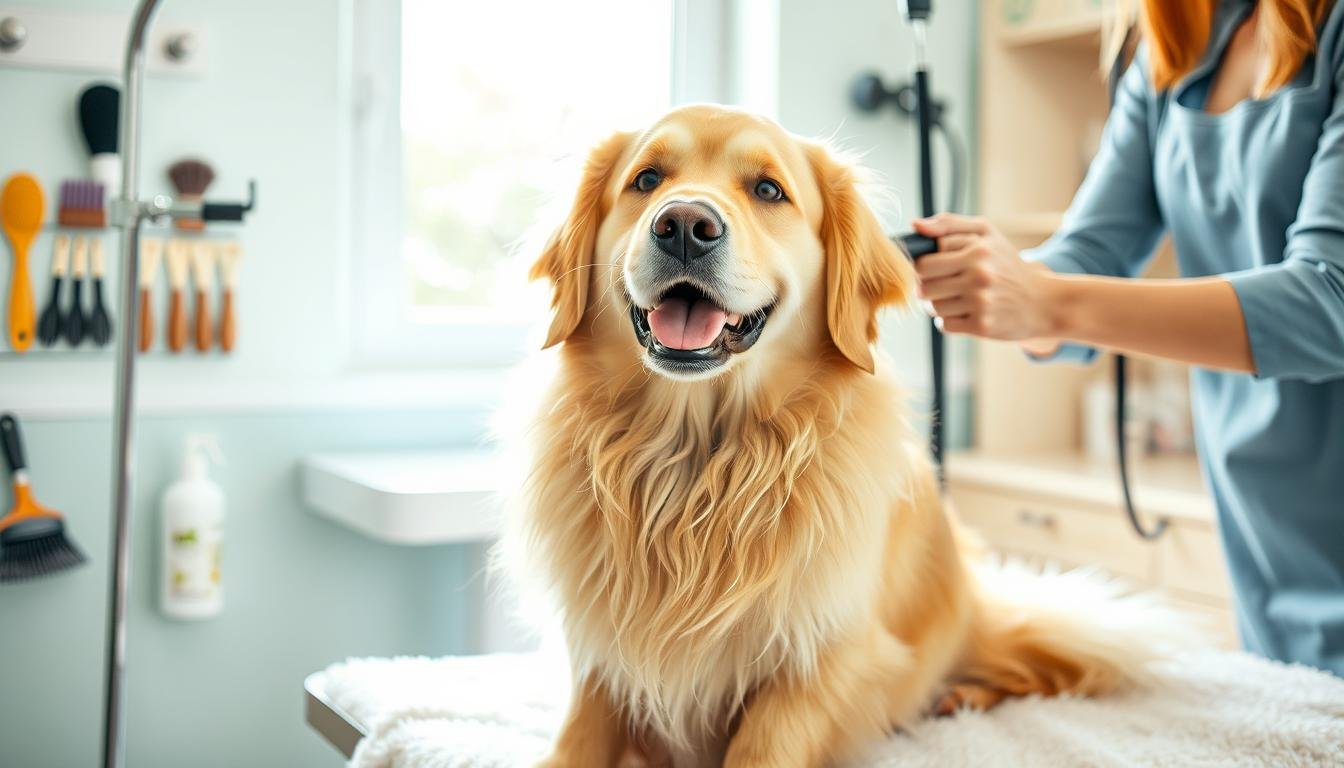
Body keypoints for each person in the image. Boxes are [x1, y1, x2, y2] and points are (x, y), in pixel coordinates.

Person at [912, 0, 1344, 676]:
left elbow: (1330, 302)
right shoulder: (1179, 48)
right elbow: (1090, 254)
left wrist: (1047, 302)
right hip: (1262, 523)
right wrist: (996, 280)